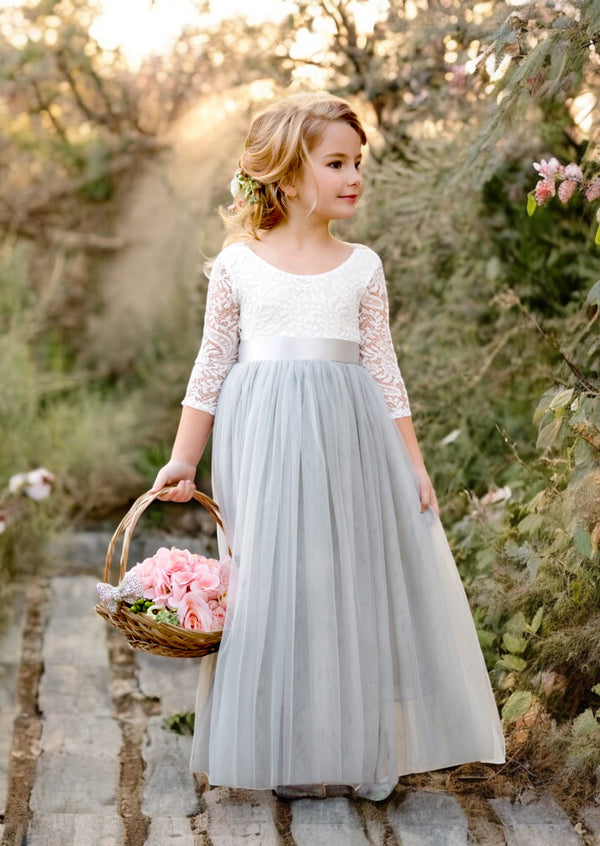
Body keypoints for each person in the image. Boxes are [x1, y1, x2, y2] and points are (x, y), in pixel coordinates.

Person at [151, 92, 505, 801]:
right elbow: (211, 365)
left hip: (351, 437)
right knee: (272, 580)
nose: (354, 177)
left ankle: (349, 748)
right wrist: (184, 458)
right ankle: (276, 749)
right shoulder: (239, 267)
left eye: (358, 163)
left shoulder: (361, 265)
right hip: (264, 439)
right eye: (336, 163)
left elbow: (384, 369)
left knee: (342, 579)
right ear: (285, 174)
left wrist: (414, 464)